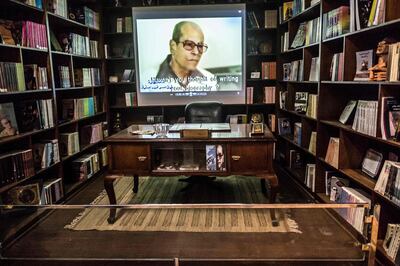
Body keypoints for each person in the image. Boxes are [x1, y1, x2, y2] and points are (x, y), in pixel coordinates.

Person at [156, 21, 217, 91]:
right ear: (173, 46)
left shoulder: (210, 80)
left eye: (200, 46)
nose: (196, 52)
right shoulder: (147, 79)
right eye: (189, 44)